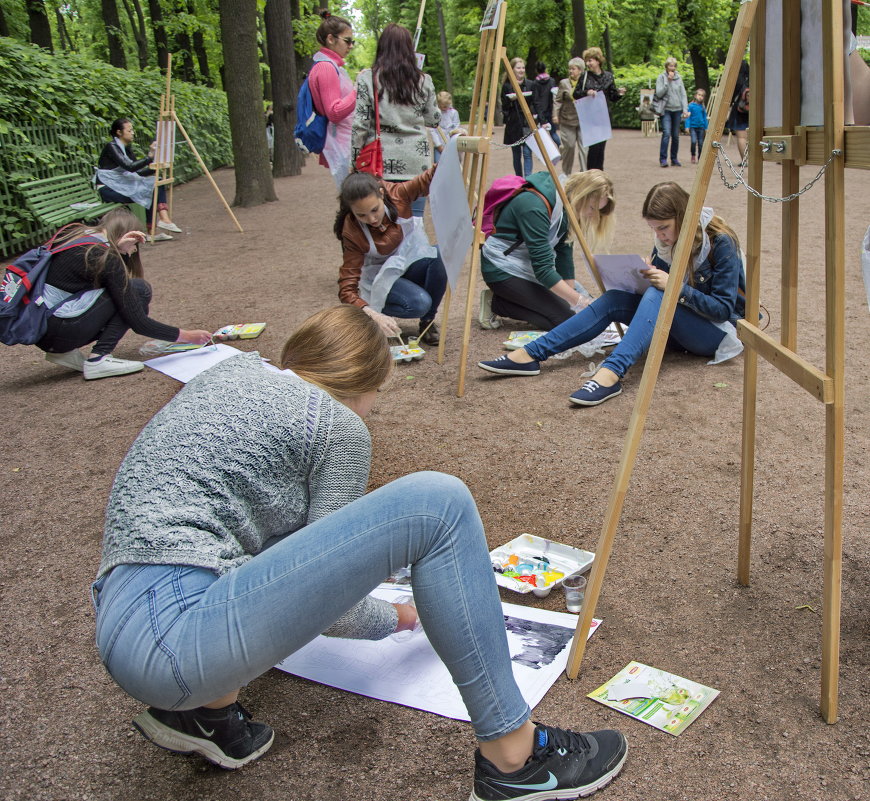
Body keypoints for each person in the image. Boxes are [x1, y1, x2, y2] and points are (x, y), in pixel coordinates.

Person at [91, 304, 629, 798]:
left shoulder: (229, 375)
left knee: (237, 540)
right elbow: (336, 606)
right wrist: (396, 616)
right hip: (178, 642)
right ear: (370, 382)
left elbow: (261, 540)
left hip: (123, 615)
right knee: (438, 503)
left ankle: (204, 715)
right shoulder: (337, 425)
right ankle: (515, 759)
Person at [478, 181, 746, 407]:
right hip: (676, 326)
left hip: (715, 334)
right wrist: (644, 273)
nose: (660, 235)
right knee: (616, 298)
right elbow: (662, 291)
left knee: (657, 294)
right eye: (654, 229)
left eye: (663, 227)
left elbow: (723, 310)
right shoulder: (667, 241)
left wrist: (673, 286)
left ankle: (611, 373)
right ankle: (530, 355)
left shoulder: (721, 242)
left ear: (684, 217)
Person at [36, 209, 213, 380]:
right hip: (59, 329)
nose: (135, 250)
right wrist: (186, 336)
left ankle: (63, 352)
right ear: (128, 235)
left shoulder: (79, 237)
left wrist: (119, 250)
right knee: (139, 289)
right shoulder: (103, 255)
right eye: (135, 244)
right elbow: (138, 321)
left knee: (128, 291)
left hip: (45, 331)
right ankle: (99, 358)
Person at [478, 169, 615, 331]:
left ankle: (523, 301)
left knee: (576, 312)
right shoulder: (534, 205)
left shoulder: (567, 205)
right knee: (567, 321)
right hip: (502, 269)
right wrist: (578, 301)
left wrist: (570, 295)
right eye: (592, 208)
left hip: (527, 265)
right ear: (581, 195)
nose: (592, 215)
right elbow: (543, 269)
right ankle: (497, 303)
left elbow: (564, 253)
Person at [335, 168, 446, 345]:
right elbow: (346, 288)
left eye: (374, 210)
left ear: (381, 194)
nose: (371, 219)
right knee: (419, 302)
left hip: (408, 262)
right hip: (380, 277)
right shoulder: (352, 230)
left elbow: (430, 177)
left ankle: (428, 322)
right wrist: (372, 313)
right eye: (361, 215)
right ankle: (377, 318)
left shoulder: (397, 194)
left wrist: (455, 147)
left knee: (441, 254)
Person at [351, 23, 440, 217]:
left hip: (380, 162)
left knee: (383, 224)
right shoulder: (423, 80)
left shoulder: (368, 78)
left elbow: (360, 124)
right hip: (417, 163)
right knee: (414, 225)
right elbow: (433, 119)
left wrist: (354, 160)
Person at [95, 118, 180, 241]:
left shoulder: (126, 149)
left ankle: (161, 221)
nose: (133, 133)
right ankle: (158, 225)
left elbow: (137, 172)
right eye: (129, 130)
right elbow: (129, 167)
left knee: (155, 183)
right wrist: (150, 157)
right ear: (119, 132)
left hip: (120, 185)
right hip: (108, 189)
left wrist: (155, 167)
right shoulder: (111, 147)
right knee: (149, 190)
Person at [307, 9, 357, 188]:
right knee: (355, 198)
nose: (351, 46)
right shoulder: (326, 68)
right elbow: (334, 112)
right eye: (347, 41)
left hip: (343, 142)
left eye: (353, 41)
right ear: (330, 39)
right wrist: (359, 89)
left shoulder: (328, 66)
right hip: (342, 145)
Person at [572, 47, 625, 170]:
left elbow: (612, 96)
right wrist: (587, 92)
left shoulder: (608, 76)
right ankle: (592, 173)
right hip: (590, 116)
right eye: (587, 61)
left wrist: (620, 93)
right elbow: (576, 94)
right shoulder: (585, 76)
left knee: (601, 148)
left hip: (603, 116)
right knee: (593, 147)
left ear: (598, 61)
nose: (588, 63)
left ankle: (599, 172)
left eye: (590, 60)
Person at [501, 57, 536, 178]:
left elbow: (535, 102)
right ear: (512, 70)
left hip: (527, 122)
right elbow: (504, 106)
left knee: (527, 153)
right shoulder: (507, 86)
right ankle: (519, 178)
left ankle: (528, 178)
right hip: (514, 124)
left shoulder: (531, 84)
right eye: (518, 68)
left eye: (523, 67)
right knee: (516, 154)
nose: (521, 70)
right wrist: (511, 101)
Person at [553, 57, 587, 174]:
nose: (571, 71)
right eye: (570, 69)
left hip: (583, 120)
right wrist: (555, 115)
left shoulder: (586, 83)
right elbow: (558, 100)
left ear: (580, 70)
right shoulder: (564, 83)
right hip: (567, 120)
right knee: (570, 147)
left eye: (573, 69)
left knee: (584, 148)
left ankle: (584, 174)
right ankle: (566, 173)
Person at [654, 57, 689, 168]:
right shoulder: (661, 77)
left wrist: (685, 109)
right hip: (666, 110)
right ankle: (663, 159)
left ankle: (674, 159)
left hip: (677, 109)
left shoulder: (679, 78)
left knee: (675, 135)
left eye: (674, 66)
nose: (672, 68)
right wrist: (667, 82)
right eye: (670, 66)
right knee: (666, 133)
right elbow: (659, 93)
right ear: (666, 67)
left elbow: (683, 94)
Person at [532, 61, 560, 146]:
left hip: (541, 111)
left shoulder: (535, 83)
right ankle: (561, 147)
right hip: (551, 110)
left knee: (542, 135)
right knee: (553, 133)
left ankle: (547, 154)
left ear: (536, 70)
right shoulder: (551, 81)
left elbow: (536, 99)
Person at [726, 61, 750, 162]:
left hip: (739, 110)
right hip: (752, 112)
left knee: (741, 137)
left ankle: (745, 161)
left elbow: (730, 97)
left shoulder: (736, 81)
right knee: (751, 137)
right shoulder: (752, 81)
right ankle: (752, 160)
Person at [431, 90, 464, 164]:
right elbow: (433, 130)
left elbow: (456, 126)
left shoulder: (453, 113)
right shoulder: (435, 113)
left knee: (454, 163)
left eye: (447, 104)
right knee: (439, 164)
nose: (445, 107)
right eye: (443, 105)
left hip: (451, 144)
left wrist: (452, 138)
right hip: (439, 145)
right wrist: (439, 146)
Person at [686, 88, 709, 164]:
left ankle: (700, 157)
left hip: (701, 127)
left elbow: (704, 118)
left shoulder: (702, 107)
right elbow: (688, 117)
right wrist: (687, 126)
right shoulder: (691, 106)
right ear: (695, 95)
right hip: (693, 127)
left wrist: (706, 127)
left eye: (702, 95)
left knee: (701, 143)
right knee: (693, 141)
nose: (700, 97)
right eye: (699, 95)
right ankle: (693, 155)